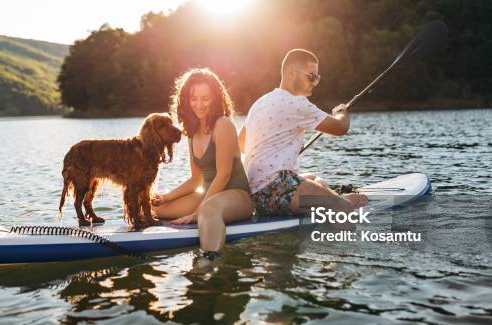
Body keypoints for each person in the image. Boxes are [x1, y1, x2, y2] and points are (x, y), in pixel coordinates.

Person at [239, 49, 367, 216]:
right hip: (276, 188)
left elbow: (241, 143)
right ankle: (340, 204)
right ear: (292, 73)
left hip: (255, 193)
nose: (315, 82)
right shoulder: (296, 102)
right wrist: (341, 111)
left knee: (313, 178)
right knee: (344, 209)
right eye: (311, 76)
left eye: (317, 78)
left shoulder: (261, 102)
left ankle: (329, 199)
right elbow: (341, 127)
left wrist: (277, 151)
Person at [153, 68, 253, 258]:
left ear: (215, 98)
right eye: (193, 99)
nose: (199, 105)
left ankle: (210, 262)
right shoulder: (191, 131)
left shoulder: (223, 124)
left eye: (205, 98)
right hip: (207, 193)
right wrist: (165, 198)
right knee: (156, 209)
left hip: (237, 195)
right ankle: (204, 216)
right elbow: (196, 180)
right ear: (185, 100)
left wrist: (199, 211)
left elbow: (223, 175)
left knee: (208, 210)